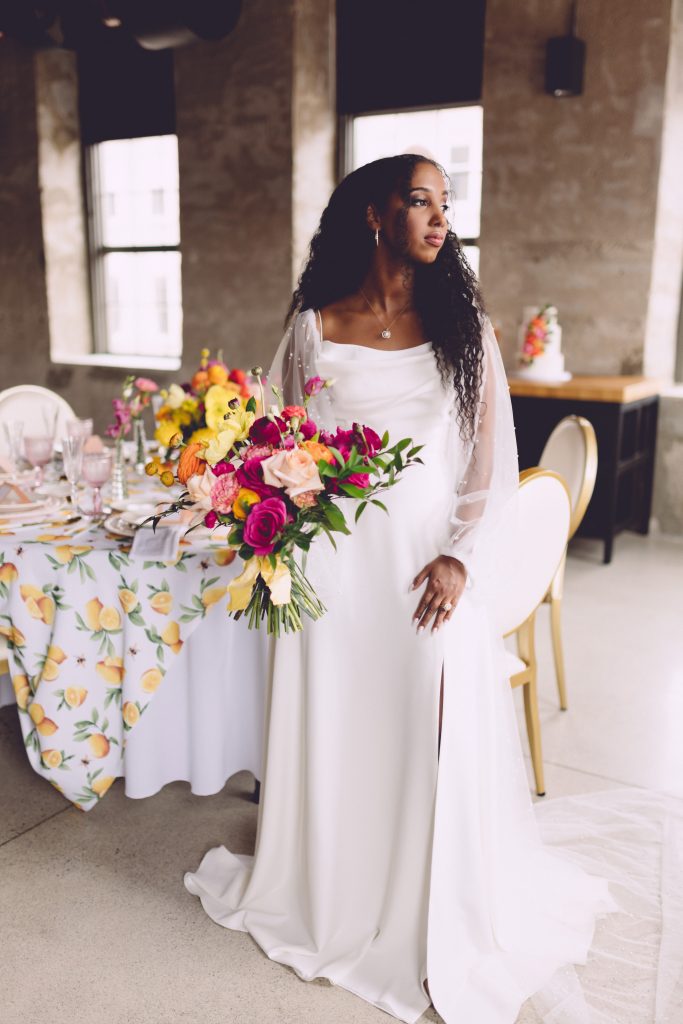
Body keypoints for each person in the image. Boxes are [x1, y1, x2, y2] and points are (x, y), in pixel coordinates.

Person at [184, 155, 620, 1023]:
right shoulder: (314, 325)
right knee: (335, 728)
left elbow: (485, 464)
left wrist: (462, 555)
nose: (438, 217)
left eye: (444, 203)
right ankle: (330, 892)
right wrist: (266, 510)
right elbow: (274, 435)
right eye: (419, 200)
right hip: (329, 576)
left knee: (421, 723)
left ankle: (431, 917)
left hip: (424, 576)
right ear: (375, 215)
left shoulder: (465, 331)